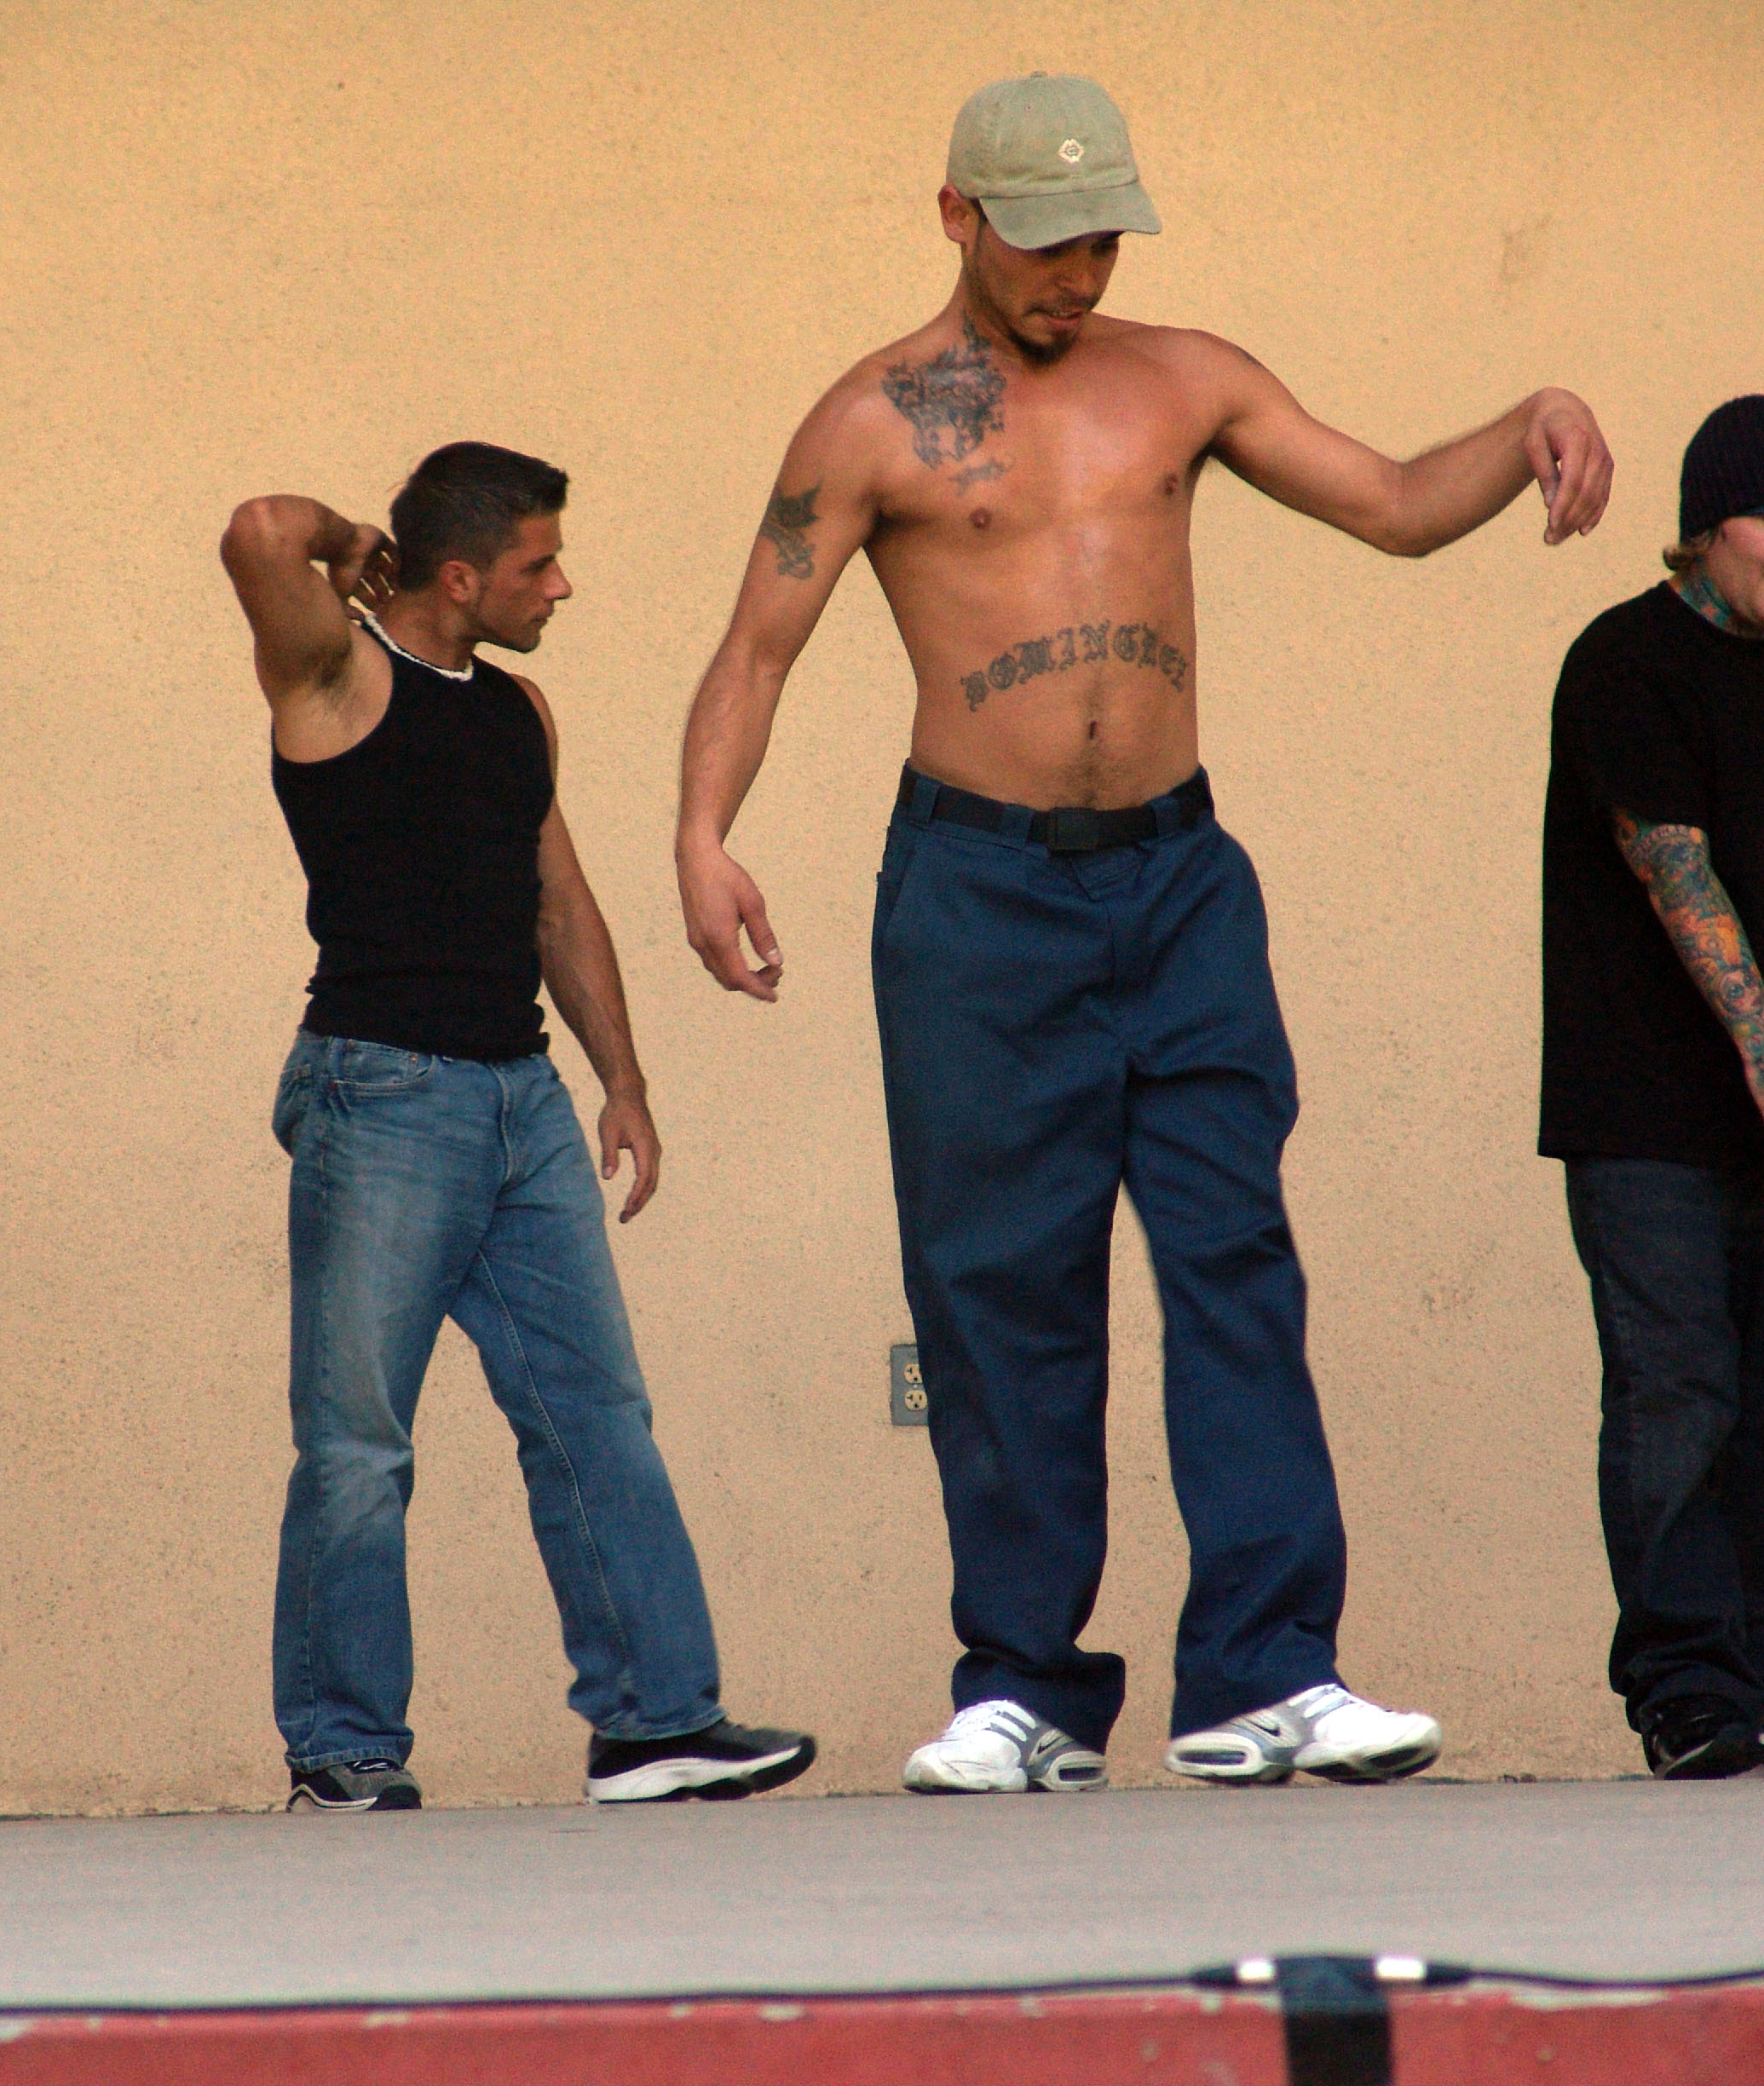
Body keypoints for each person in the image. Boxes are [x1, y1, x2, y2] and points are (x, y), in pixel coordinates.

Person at [675, 75, 1615, 1793]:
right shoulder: (871, 422)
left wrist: (1530, 416)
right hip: (976, 898)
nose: (1077, 275)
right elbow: (756, 649)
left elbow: (1398, 500)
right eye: (1045, 241)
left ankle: (1269, 1671)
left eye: (1101, 239)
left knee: (1233, 1257)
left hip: (1180, 888)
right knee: (999, 1291)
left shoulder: (1185, 379)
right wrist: (701, 835)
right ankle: (1024, 1688)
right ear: (956, 217)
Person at [221, 442, 814, 1811]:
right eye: (538, 564)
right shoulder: (336, 678)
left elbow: (560, 903)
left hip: (521, 1102)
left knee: (596, 1415)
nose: (561, 586)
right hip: (382, 1097)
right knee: (361, 1445)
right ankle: (343, 1749)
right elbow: (258, 530)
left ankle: (656, 1725)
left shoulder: (519, 711)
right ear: (457, 575)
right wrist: (347, 534)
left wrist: (625, 1083)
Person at [1539, 394, 1764, 1779]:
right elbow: (1669, 862)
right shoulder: (1626, 660)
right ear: (1704, 527)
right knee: (1676, 1393)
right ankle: (1685, 1687)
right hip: (1649, 1114)